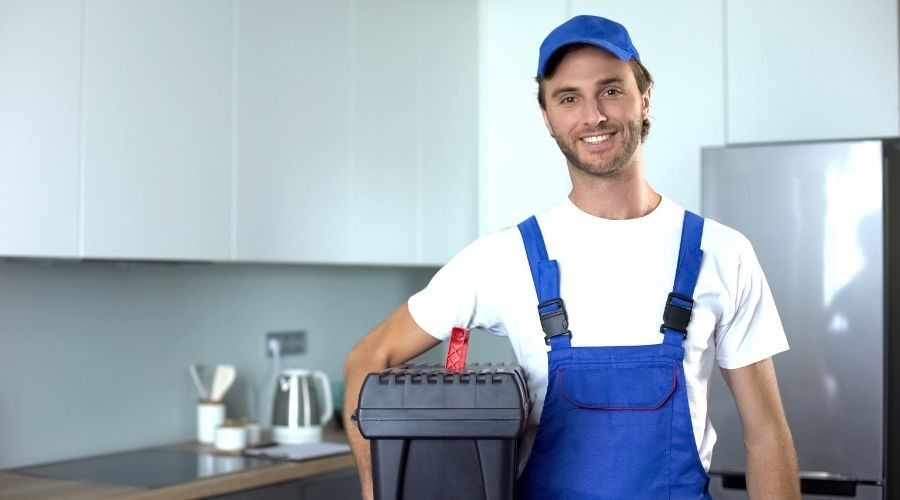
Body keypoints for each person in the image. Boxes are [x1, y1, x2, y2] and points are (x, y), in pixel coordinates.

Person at [343, 14, 800, 500]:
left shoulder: (724, 254)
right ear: (547, 116)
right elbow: (368, 358)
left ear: (644, 99)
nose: (593, 116)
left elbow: (767, 437)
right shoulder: (502, 257)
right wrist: (378, 489)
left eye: (611, 90)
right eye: (568, 98)